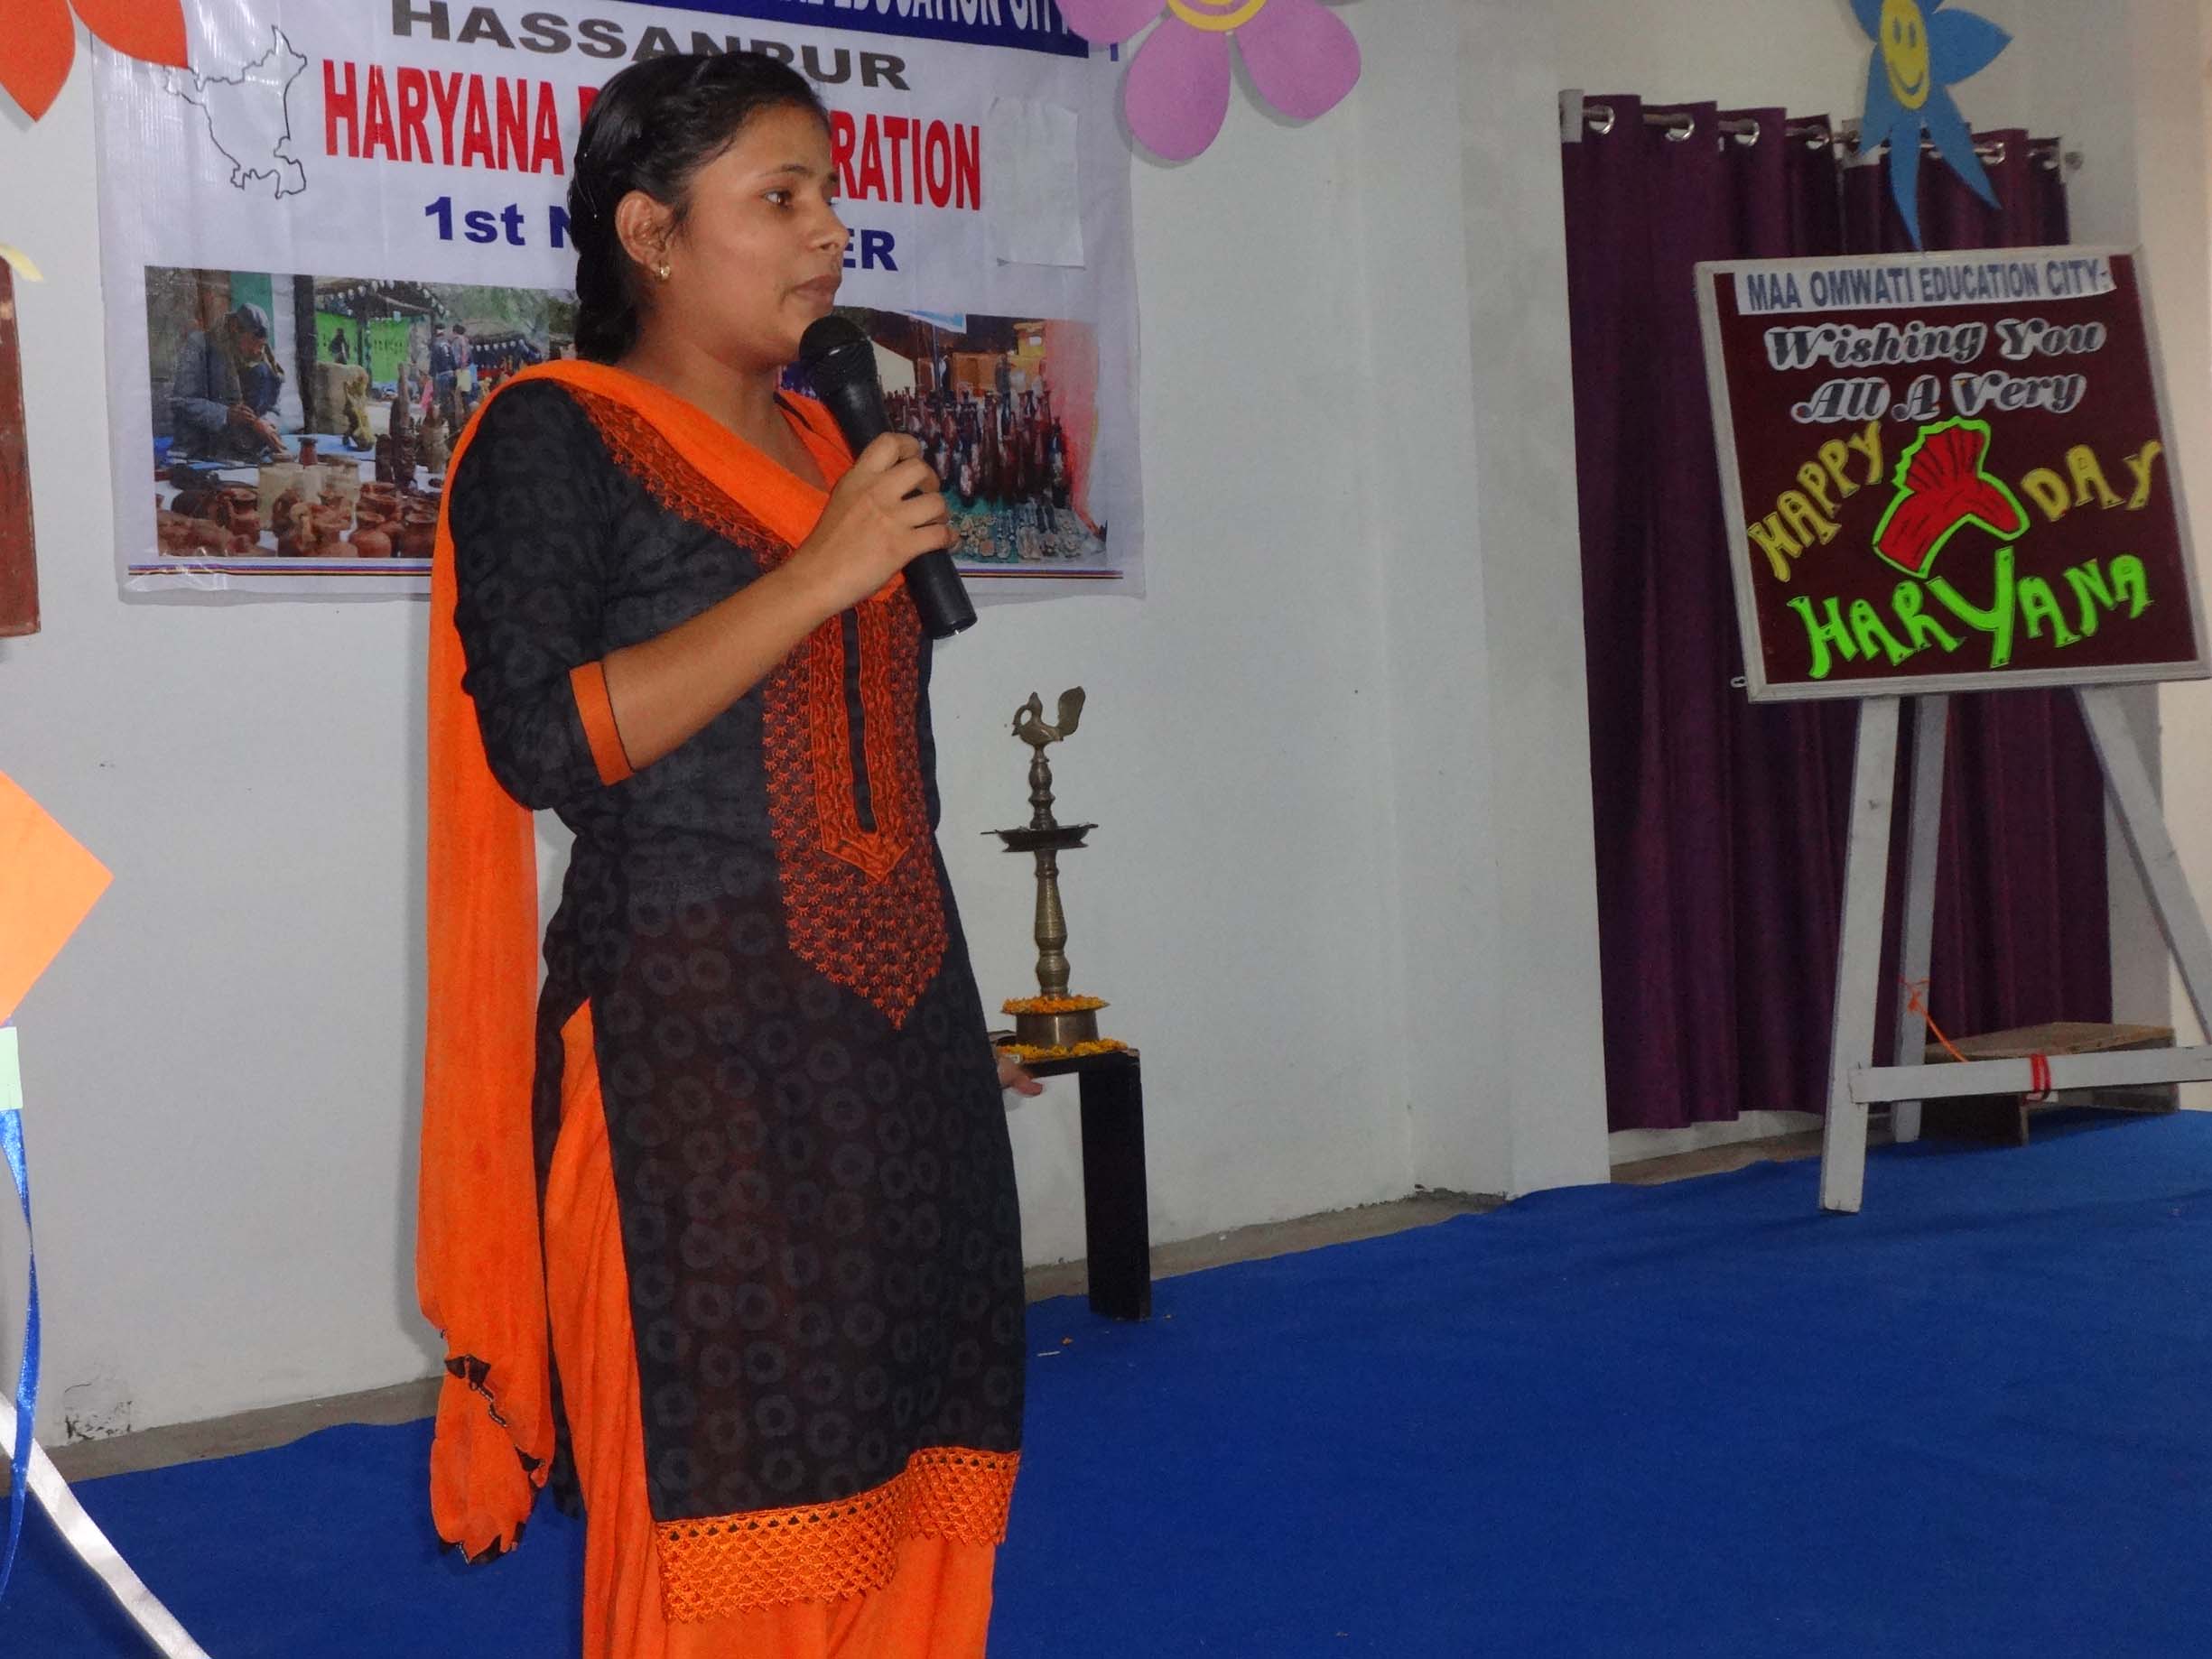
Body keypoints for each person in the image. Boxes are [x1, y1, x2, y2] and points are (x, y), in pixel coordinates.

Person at [421, 51, 1036, 1659]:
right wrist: (820, 575)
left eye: (831, 193)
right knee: (726, 1529)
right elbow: (544, 743)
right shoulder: (553, 436)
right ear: (652, 233)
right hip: (688, 1077)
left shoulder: (844, 454)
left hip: (895, 1068)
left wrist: (931, 1001)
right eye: (782, 195)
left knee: (910, 1488)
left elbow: (884, 774)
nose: (832, 231)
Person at [169, 301, 289, 461]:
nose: (257, 351)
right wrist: (226, 414)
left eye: (261, 345)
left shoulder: (263, 357)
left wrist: (265, 423)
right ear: (234, 329)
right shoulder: (200, 345)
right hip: (203, 449)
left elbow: (275, 408)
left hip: (249, 451)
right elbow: (181, 401)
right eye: (251, 342)